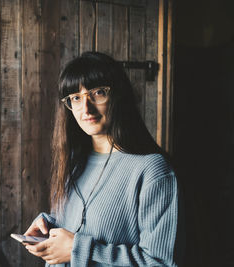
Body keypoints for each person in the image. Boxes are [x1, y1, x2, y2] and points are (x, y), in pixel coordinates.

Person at [23, 52, 184, 266]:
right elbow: (80, 224)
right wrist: (48, 226)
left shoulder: (153, 170)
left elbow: (161, 263)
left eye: (98, 93)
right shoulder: (74, 161)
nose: (86, 108)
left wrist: (78, 249)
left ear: (118, 96)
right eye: (76, 98)